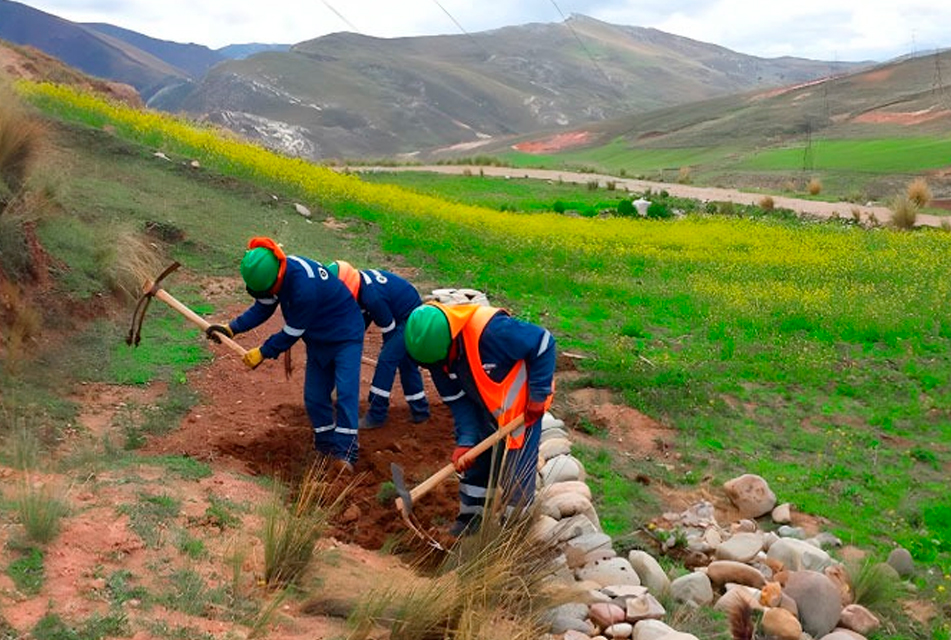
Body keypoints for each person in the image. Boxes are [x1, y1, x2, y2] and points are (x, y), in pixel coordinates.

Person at [205, 237, 365, 472]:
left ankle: (346, 455)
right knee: (314, 397)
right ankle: (324, 449)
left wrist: (263, 352)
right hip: (318, 339)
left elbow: (291, 333)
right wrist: (232, 328)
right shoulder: (274, 273)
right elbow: (263, 307)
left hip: (345, 336)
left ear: (277, 278)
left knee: (346, 395)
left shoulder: (304, 288)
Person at [403, 301, 555, 536]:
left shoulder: (493, 331)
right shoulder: (436, 357)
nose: (440, 369)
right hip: (486, 403)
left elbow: (544, 342)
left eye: (442, 363)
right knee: (476, 460)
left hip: (523, 409)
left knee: (517, 476)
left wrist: (538, 393)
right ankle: (470, 523)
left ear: (452, 339)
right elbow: (459, 402)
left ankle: (510, 536)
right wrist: (466, 440)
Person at [327, 260, 430, 428]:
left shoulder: (372, 298)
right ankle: (420, 411)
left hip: (411, 318)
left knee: (387, 361)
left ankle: (377, 413)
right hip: (398, 311)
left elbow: (389, 332)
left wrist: (389, 354)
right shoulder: (359, 286)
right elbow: (357, 326)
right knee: (406, 363)